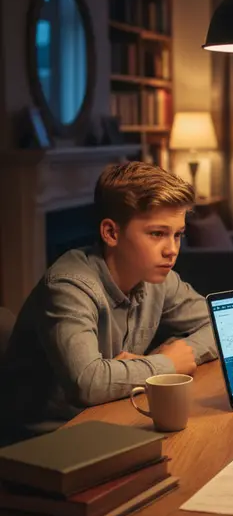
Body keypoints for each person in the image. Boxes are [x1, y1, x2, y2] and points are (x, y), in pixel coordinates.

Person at [1, 161, 218, 441]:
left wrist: (169, 357)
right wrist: (165, 364)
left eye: (177, 235)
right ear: (111, 233)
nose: (172, 250)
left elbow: (218, 324)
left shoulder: (158, 278)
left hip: (111, 415)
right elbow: (88, 383)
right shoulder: (68, 285)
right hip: (46, 440)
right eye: (157, 234)